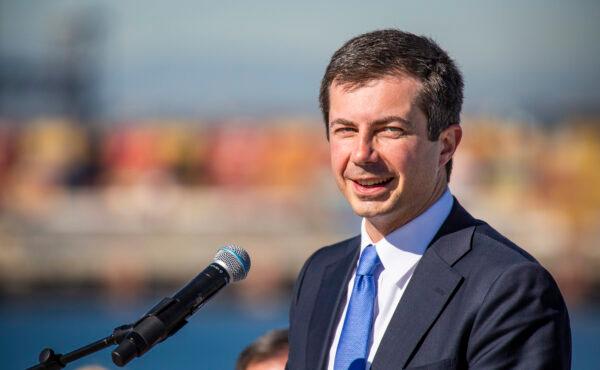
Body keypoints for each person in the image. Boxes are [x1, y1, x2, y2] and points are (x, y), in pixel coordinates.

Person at [287, 29, 571, 370]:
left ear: (447, 145)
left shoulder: (509, 288)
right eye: (345, 130)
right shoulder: (320, 274)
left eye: (390, 130)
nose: (362, 154)